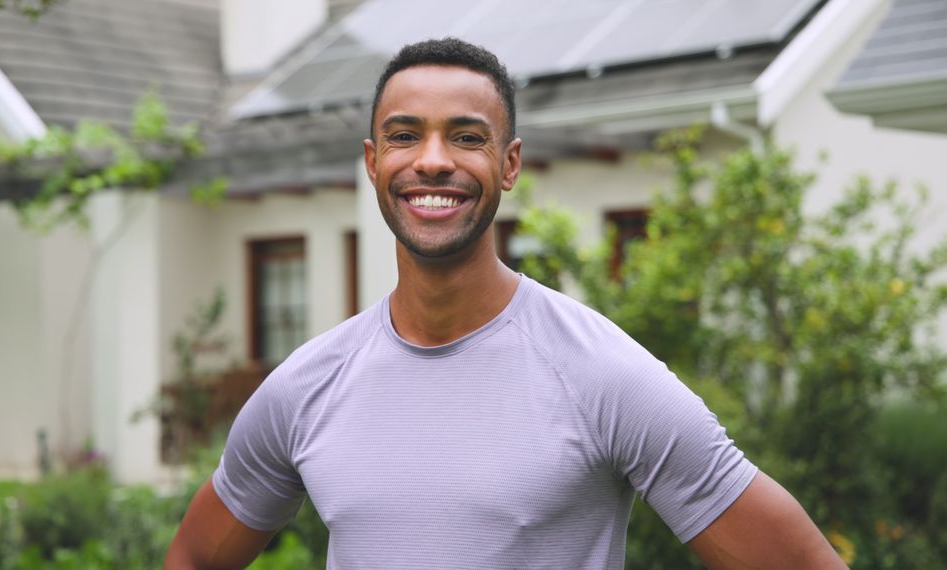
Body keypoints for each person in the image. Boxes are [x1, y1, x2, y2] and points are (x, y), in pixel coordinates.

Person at [166, 38, 845, 569]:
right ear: (373, 162)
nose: (432, 161)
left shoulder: (603, 377)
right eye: (405, 136)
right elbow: (193, 557)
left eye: (466, 137)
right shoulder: (307, 388)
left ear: (510, 164)